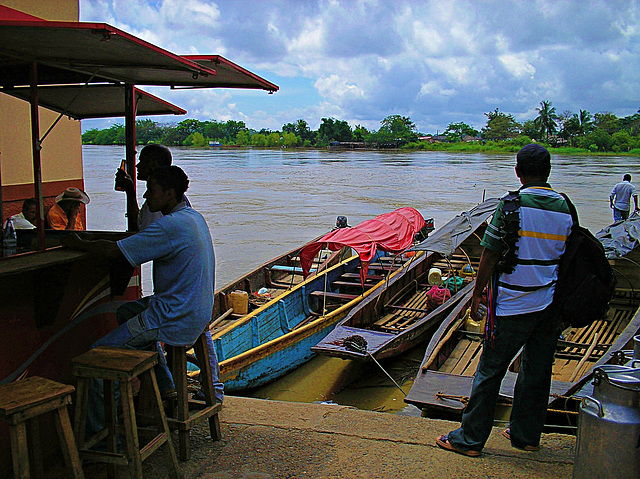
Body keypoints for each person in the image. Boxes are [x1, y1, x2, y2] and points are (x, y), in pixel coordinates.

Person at [436, 144, 573, 457]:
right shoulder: (566, 207)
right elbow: (568, 255)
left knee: (490, 371)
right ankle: (526, 436)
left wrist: (476, 294)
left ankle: (469, 440)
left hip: (512, 304)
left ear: (518, 171)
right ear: (548, 171)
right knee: (537, 371)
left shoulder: (512, 205)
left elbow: (490, 253)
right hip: (549, 304)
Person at [63, 166, 218, 438]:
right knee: (126, 311)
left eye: (152, 190)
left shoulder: (169, 226)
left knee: (99, 354)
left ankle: (106, 437)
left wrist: (76, 242)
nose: (147, 196)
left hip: (172, 315)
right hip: (197, 311)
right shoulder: (193, 217)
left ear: (170, 193)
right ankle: (164, 381)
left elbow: (116, 252)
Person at [116, 144, 222, 402]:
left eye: (142, 162)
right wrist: (132, 191)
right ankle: (174, 386)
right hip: (193, 302)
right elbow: (143, 234)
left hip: (181, 307)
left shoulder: (164, 216)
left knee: (104, 350)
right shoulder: (186, 212)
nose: (137, 166)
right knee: (128, 313)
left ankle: (187, 388)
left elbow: (135, 244)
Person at [116, 144, 174, 231]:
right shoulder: (168, 193)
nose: (137, 166)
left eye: (142, 161)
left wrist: (131, 192)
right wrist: (130, 191)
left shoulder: (157, 202)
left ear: (154, 164)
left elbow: (139, 234)